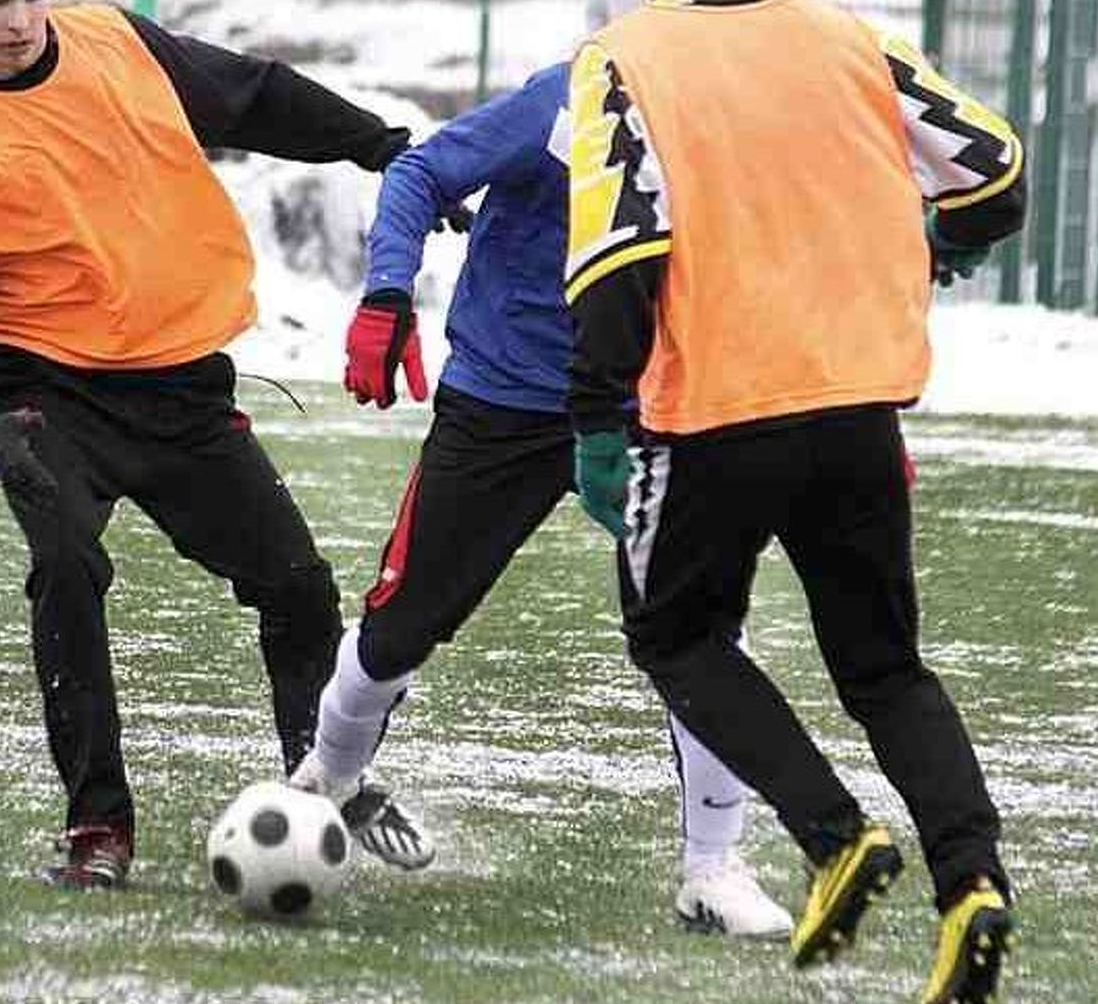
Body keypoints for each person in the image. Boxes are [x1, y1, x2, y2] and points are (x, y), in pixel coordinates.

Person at [563, 0, 1024, 1004]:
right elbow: (993, 168)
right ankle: (969, 880)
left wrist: (596, 419)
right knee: (882, 667)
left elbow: (619, 252)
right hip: (858, 403)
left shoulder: (623, 58)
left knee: (676, 637)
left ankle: (832, 837)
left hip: (718, 407)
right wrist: (942, 247)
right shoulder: (845, 35)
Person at [0, 0, 422, 889]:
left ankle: (322, 784)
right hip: (46, 402)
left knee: (296, 585)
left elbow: (253, 97)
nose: (18, 19)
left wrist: (381, 144)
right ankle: (98, 826)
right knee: (67, 570)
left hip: (182, 394)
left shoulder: (119, 46)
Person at [287, 59, 793, 937]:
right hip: (505, 401)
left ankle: (713, 866)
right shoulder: (563, 103)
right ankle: (323, 780)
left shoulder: (747, 121)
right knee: (400, 623)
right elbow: (420, 173)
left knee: (702, 629)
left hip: (647, 412)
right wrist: (386, 296)